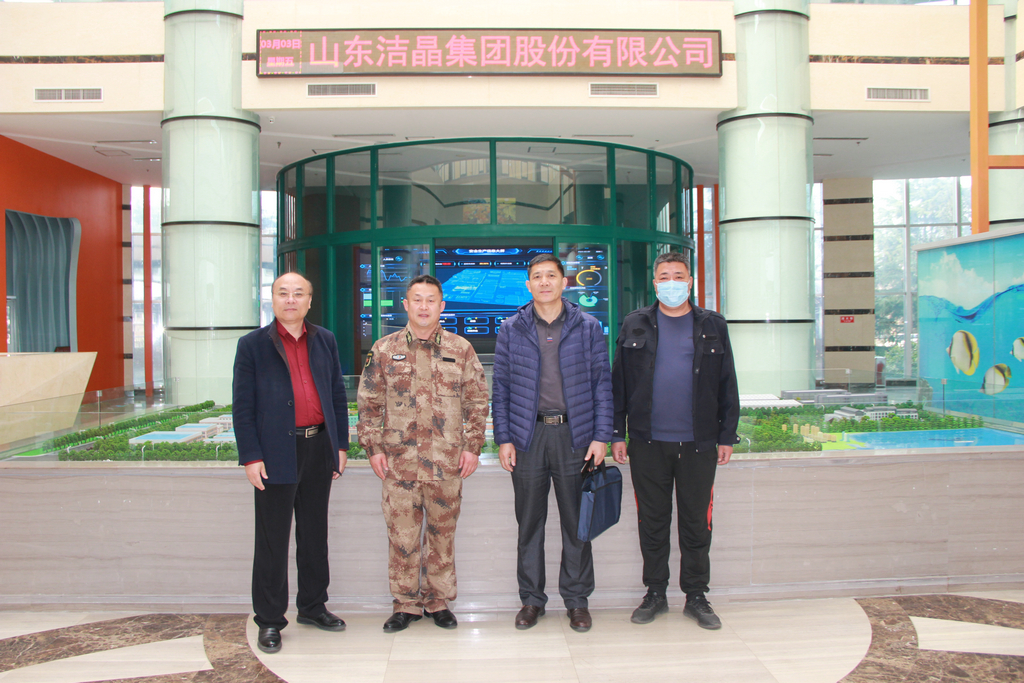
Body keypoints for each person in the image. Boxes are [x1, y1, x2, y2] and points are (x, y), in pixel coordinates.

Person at [611, 252, 739, 630]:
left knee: (696, 523)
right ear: (655, 283)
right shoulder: (635, 323)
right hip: (647, 442)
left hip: (699, 444)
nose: (671, 283)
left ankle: (696, 595)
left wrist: (727, 435)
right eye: (664, 276)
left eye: (678, 276)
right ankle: (655, 592)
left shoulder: (713, 325)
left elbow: (727, 382)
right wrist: (617, 433)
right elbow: (619, 384)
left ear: (690, 282)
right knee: (652, 522)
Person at [357, 274, 489, 633]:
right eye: (417, 299)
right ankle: (405, 604)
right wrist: (373, 448)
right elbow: (368, 403)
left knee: (442, 537)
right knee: (402, 538)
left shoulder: (461, 349)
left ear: (442, 306)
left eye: (431, 300)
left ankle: (438, 602)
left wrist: (472, 447)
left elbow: (477, 401)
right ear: (406, 305)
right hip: (399, 464)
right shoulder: (384, 349)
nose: (424, 306)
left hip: (447, 463)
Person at [492, 253, 613, 633]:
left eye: (551, 275)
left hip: (576, 436)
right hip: (528, 437)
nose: (544, 282)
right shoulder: (511, 328)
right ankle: (532, 600)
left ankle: (577, 601)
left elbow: (602, 384)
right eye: (537, 276)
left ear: (564, 282)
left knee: (577, 524)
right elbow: (501, 388)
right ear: (528, 285)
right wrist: (504, 438)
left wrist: (601, 436)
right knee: (529, 523)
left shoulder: (588, 326)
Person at [232, 272, 350, 654]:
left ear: (310, 301)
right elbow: (242, 407)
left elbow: (336, 394)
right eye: (283, 293)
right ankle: (269, 619)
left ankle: (313, 607)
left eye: (299, 293)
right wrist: (251, 456)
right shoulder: (252, 345)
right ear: (272, 298)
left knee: (314, 534)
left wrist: (340, 445)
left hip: (319, 448)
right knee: (272, 540)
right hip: (274, 453)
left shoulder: (325, 340)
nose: (291, 299)